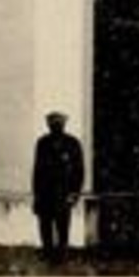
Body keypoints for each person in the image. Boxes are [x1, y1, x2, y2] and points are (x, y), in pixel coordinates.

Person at [32, 110, 85, 261]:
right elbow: (37, 170)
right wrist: (36, 195)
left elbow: (79, 171)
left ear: (64, 124)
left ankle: (62, 252)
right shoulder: (42, 143)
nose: (55, 126)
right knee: (45, 224)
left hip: (64, 192)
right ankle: (47, 251)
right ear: (48, 125)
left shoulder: (73, 143)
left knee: (63, 224)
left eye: (58, 123)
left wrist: (75, 193)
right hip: (45, 192)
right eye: (52, 123)